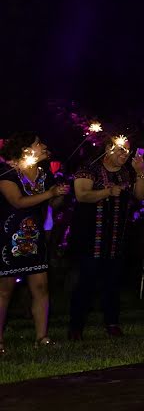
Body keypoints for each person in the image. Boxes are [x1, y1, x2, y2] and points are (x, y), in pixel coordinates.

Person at [69, 136, 144, 339]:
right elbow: (81, 195)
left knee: (112, 282)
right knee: (86, 282)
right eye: (121, 150)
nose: (125, 154)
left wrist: (140, 173)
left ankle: (112, 322)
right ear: (107, 149)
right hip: (90, 237)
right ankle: (76, 327)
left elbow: (140, 195)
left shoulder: (127, 172)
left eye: (127, 150)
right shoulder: (90, 167)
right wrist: (107, 192)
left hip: (116, 239)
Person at [0, 133, 69, 351]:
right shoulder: (7, 174)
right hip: (7, 238)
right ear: (25, 150)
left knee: (40, 286)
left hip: (35, 238)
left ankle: (42, 337)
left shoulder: (44, 174)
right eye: (39, 143)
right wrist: (49, 193)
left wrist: (60, 193)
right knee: (5, 290)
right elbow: (18, 202)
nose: (44, 146)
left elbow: (53, 205)